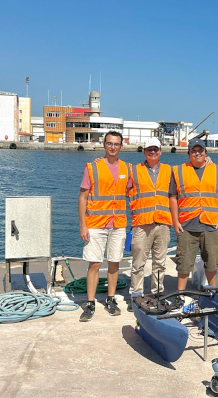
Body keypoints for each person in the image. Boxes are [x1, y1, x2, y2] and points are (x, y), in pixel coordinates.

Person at [78, 131, 131, 322]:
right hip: (95, 224)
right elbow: (83, 197)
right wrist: (82, 225)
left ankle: (110, 299)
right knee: (94, 263)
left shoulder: (127, 168)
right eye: (109, 143)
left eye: (116, 144)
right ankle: (90, 302)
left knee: (114, 262)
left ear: (121, 146)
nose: (112, 147)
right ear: (104, 145)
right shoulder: (92, 167)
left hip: (118, 223)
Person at [170, 138, 218, 303]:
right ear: (189, 153)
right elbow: (173, 197)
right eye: (193, 151)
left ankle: (213, 294)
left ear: (205, 152)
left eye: (200, 150)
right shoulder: (179, 171)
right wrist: (175, 221)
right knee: (184, 264)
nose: (197, 153)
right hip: (187, 226)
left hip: (210, 224)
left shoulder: (216, 170)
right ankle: (180, 295)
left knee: (212, 263)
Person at [126, 137, 171, 311]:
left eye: (155, 149)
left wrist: (207, 160)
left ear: (160, 151)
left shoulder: (169, 170)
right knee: (138, 262)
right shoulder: (133, 170)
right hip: (141, 223)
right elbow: (116, 180)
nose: (153, 152)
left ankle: (157, 294)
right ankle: (136, 295)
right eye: (149, 149)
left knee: (160, 262)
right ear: (144, 152)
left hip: (162, 223)